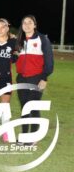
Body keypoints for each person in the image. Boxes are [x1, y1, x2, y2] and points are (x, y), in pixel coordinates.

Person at [15, 15, 53, 145]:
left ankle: (34, 137)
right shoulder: (19, 41)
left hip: (36, 78)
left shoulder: (42, 39)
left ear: (35, 25)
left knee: (33, 106)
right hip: (21, 78)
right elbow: (16, 58)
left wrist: (44, 78)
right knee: (24, 107)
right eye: (24, 22)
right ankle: (24, 136)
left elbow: (49, 61)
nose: (27, 25)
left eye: (30, 22)